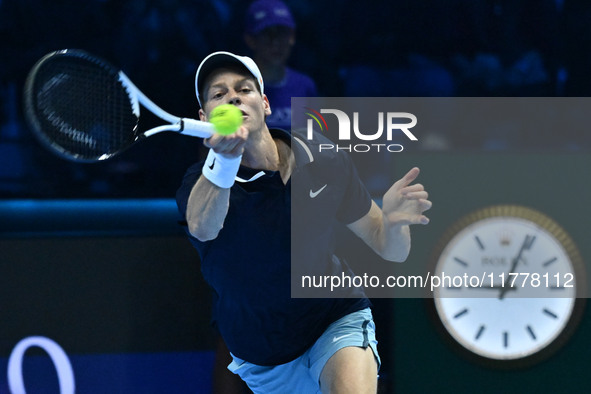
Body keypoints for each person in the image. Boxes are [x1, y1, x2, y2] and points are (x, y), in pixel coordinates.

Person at [176, 51, 431, 393]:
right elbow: (204, 227)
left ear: (265, 104)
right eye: (218, 95)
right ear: (205, 117)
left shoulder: (322, 157)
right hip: (265, 360)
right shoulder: (201, 186)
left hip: (334, 319)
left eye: (244, 89)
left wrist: (395, 224)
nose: (233, 96)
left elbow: (389, 247)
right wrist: (224, 161)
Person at [243, 0, 317, 130]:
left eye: (282, 33)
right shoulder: (235, 88)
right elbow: (209, 146)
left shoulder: (305, 86)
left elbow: (316, 141)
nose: (275, 42)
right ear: (251, 40)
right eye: (267, 34)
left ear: (292, 37)